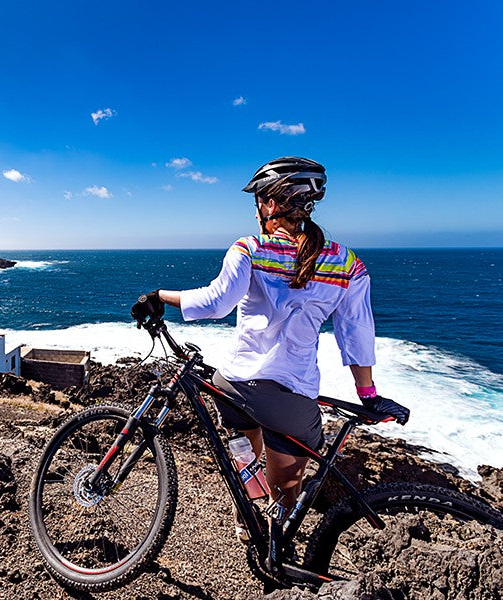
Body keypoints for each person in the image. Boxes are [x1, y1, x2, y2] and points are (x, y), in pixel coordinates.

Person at [131, 156, 408, 540]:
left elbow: (215, 303)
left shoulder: (250, 248)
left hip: (234, 385)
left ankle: (248, 517)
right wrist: (368, 394)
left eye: (259, 199)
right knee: (287, 493)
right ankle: (277, 539)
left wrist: (158, 295)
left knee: (244, 441)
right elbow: (357, 330)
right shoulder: (347, 263)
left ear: (271, 204)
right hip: (290, 397)